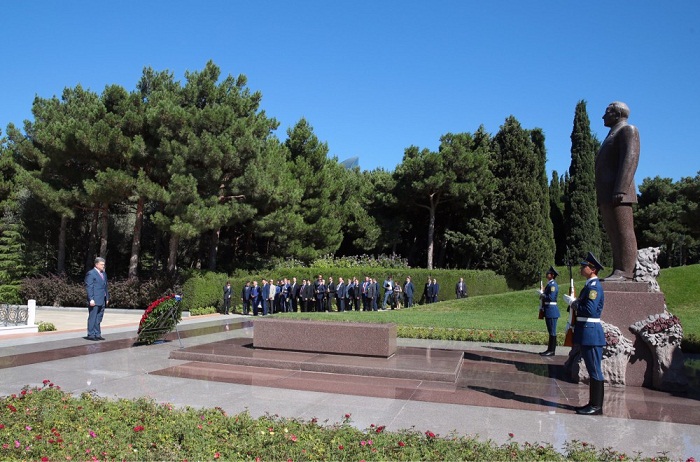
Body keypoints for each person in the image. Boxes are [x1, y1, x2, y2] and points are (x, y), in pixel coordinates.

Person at [595, 101, 640, 281]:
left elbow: (630, 159)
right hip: (607, 193)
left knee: (624, 231)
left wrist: (620, 189)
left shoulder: (628, 130)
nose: (603, 116)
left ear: (617, 113)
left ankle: (627, 271)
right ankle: (618, 268)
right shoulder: (612, 134)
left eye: (607, 112)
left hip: (619, 192)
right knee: (613, 232)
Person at [564, 252, 606, 415]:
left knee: (595, 369)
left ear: (593, 269)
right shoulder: (589, 286)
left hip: (591, 333)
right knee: (591, 368)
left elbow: (589, 310)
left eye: (585, 266)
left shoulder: (594, 287)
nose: (582, 268)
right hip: (586, 332)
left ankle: (596, 406)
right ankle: (592, 403)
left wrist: (574, 303)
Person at [85, 257, 109, 341]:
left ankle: (97, 333)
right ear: (96, 264)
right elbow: (89, 287)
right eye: (102, 264)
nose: (103, 266)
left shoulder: (104, 274)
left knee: (99, 317)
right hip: (94, 299)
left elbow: (105, 286)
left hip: (102, 299)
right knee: (93, 317)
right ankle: (91, 334)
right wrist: (91, 299)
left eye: (104, 264)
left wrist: (107, 298)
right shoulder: (91, 273)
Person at [538, 267, 560, 356]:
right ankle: (549, 349)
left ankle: (552, 350)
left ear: (552, 275)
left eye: (548, 273)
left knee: (552, 331)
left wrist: (542, 295)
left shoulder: (553, 285)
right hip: (548, 309)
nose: (547, 275)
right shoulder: (549, 284)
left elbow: (551, 297)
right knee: (550, 331)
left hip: (551, 310)